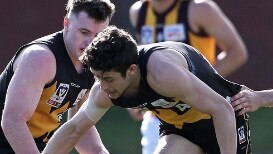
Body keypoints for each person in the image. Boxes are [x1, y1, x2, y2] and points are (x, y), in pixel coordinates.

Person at [42, 26, 251, 154]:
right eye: (98, 77)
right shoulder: (104, 90)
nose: (103, 87)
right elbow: (74, 129)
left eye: (108, 79)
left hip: (219, 121)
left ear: (132, 70)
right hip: (180, 131)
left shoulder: (161, 73)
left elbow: (222, 109)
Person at [128, 0, 248, 153]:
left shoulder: (199, 8)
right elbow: (141, 62)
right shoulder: (139, 11)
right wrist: (136, 93)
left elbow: (237, 52)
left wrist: (199, 83)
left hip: (205, 113)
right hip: (160, 118)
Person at [0, 0, 115, 153]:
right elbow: (12, 121)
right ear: (66, 23)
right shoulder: (41, 58)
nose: (91, 43)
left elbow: (79, 128)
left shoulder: (91, 61)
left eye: (98, 35)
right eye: (84, 32)